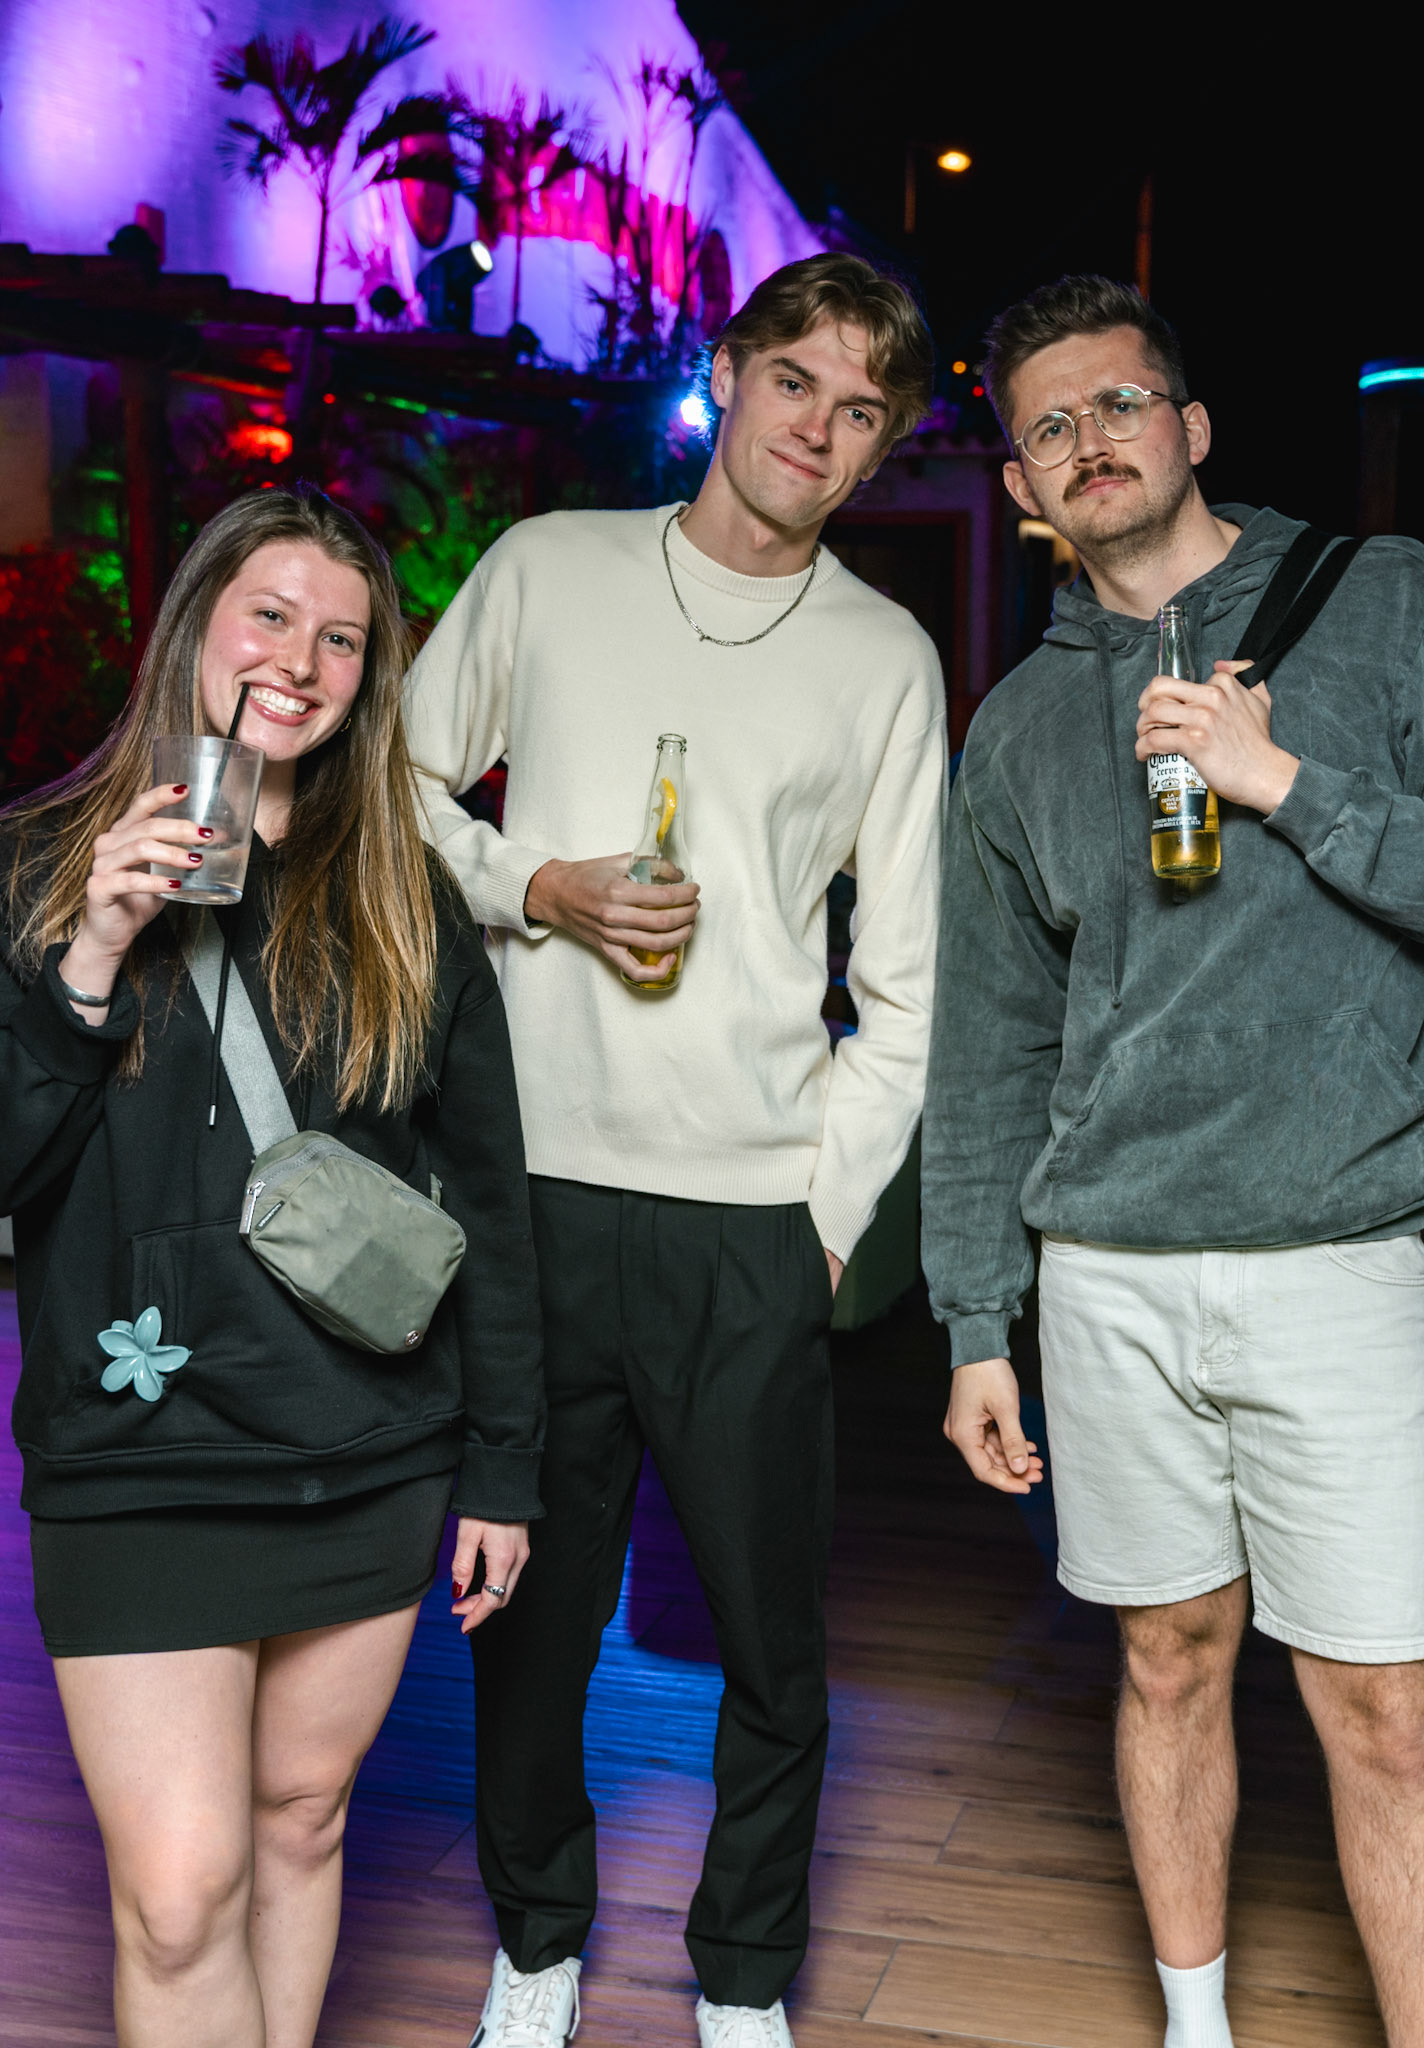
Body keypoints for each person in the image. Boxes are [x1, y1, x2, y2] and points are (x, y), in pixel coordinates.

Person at [922, 274, 1424, 2048]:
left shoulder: (1383, 602)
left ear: (1190, 427)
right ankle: (1195, 2034)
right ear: (1022, 485)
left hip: (1332, 1262)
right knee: (1165, 1660)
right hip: (1106, 1278)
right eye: (1048, 424)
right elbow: (989, 1045)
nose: (1088, 438)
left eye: (1118, 401)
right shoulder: (1017, 728)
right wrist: (972, 1319)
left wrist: (1287, 785)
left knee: (1380, 1714)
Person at [407, 251, 946, 2048]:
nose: (820, 429)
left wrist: (822, 1218)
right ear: (729, 372)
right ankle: (536, 1944)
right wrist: (535, 886)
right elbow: (393, 792)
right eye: (797, 381)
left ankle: (743, 1980)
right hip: (534, 1197)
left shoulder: (883, 657)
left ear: (879, 447)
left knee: (772, 1643)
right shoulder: (549, 568)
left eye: (861, 411)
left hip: (746, 1217)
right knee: (529, 1619)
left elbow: (907, 983)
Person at [1, 486, 543, 2048]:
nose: (300, 660)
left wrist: (502, 1466)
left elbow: (491, 1206)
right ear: (197, 624)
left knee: (303, 1820)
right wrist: (90, 956)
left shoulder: (405, 898)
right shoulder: (36, 865)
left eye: (343, 639)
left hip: (362, 1441)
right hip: (137, 1453)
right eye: (270, 615)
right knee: (181, 1894)